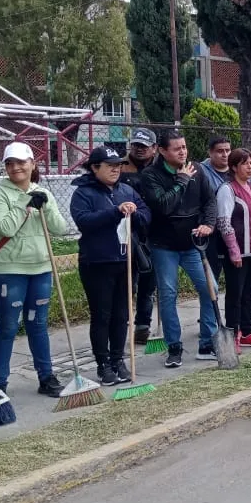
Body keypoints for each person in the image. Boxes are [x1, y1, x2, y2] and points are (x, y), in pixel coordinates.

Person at [0, 142, 68, 398]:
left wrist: (46, 205)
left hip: (41, 268)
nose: (16, 167)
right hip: (9, 269)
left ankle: (46, 377)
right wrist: (25, 203)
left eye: (21, 162)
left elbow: (59, 228)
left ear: (33, 163)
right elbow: (7, 228)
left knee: (38, 324)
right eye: (10, 163)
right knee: (8, 326)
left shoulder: (42, 191)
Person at [70, 146, 151, 385]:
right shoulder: (83, 193)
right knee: (102, 315)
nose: (116, 169)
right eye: (110, 165)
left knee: (122, 315)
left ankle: (118, 360)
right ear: (95, 168)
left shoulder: (126, 189)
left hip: (126, 261)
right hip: (97, 262)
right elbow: (84, 221)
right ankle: (103, 364)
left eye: (118, 165)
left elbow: (146, 217)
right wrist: (115, 212)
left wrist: (134, 213)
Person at [138, 129, 218, 367]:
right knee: (168, 295)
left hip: (193, 245)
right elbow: (163, 205)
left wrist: (208, 224)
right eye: (177, 148)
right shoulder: (150, 176)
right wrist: (182, 180)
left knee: (210, 288)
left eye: (184, 147)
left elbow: (210, 201)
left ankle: (207, 342)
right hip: (164, 246)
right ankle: (174, 347)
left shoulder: (198, 170)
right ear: (162, 151)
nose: (183, 151)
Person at [216, 148, 251, 349]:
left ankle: (247, 331)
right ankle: (233, 334)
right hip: (237, 252)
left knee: (249, 292)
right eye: (245, 163)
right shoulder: (227, 190)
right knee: (235, 294)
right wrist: (233, 250)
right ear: (233, 167)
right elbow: (223, 222)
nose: (250, 167)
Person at [121, 127, 158, 345]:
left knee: (149, 282)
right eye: (136, 145)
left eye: (144, 146)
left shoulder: (160, 168)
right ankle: (121, 324)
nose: (139, 149)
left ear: (154, 148)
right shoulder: (120, 167)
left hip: (153, 235)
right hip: (127, 235)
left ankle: (143, 326)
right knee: (127, 284)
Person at [199, 135, 232, 282]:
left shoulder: (237, 169)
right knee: (211, 279)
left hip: (233, 232)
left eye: (228, 150)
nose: (225, 154)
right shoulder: (200, 171)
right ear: (210, 152)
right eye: (220, 151)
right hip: (211, 232)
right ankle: (211, 305)